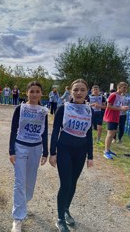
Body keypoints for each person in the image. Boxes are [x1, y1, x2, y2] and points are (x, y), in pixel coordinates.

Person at [49, 79, 94, 232]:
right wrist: (52, 152)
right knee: (66, 184)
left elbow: (89, 134)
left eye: (82, 90)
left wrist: (91, 156)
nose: (79, 93)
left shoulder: (89, 110)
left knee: (73, 183)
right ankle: (60, 218)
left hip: (80, 152)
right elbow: (55, 131)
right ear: (71, 92)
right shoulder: (63, 108)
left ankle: (66, 210)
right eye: (76, 90)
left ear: (87, 91)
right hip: (64, 150)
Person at [9, 81, 48, 232]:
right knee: (20, 182)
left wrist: (45, 152)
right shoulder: (20, 108)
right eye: (32, 91)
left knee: (30, 182)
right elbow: (13, 130)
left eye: (37, 91)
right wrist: (11, 150)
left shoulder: (43, 111)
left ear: (41, 94)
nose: (34, 94)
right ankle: (18, 218)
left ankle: (23, 205)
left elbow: (44, 132)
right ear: (27, 93)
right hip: (20, 147)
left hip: (36, 148)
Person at [103, 82, 129, 159]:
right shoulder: (113, 95)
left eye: (126, 88)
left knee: (113, 133)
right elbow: (108, 106)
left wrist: (122, 107)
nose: (125, 89)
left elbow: (116, 105)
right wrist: (121, 108)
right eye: (124, 87)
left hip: (116, 116)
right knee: (110, 134)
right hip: (111, 116)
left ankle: (108, 149)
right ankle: (106, 151)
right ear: (119, 87)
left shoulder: (120, 96)